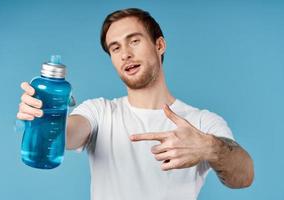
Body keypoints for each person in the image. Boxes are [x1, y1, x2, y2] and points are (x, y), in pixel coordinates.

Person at [17, 8, 254, 200]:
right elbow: (67, 134)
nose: (125, 54)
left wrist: (210, 148)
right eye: (115, 48)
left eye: (134, 41)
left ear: (159, 45)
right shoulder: (99, 112)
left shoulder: (201, 122)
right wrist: (42, 115)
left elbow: (244, 176)